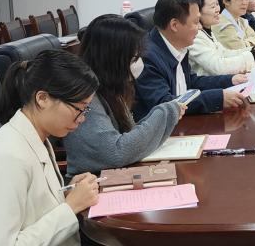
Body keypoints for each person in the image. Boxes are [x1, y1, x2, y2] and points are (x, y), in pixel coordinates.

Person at [0, 50, 100, 246]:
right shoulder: (7, 157)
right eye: (78, 109)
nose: (82, 119)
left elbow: (33, 208)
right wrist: (70, 207)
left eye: (85, 109)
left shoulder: (37, 136)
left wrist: (66, 193)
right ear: (42, 98)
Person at [64, 15, 185, 178]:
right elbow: (116, 152)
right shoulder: (86, 97)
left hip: (111, 177)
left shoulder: (112, 88)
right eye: (134, 58)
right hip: (92, 183)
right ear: (113, 59)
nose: (139, 63)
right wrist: (166, 112)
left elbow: (129, 134)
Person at [133, 0, 247, 121]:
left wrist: (230, 80)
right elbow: (164, 103)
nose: (200, 27)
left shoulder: (177, 45)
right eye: (196, 22)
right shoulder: (146, 56)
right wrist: (217, 98)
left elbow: (191, 82)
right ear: (174, 25)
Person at [188, 0, 255, 75]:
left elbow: (224, 53)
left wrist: (253, 49)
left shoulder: (208, 30)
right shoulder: (195, 36)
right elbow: (218, 66)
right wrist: (254, 54)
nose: (217, 9)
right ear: (196, 11)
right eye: (212, 6)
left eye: (217, 4)